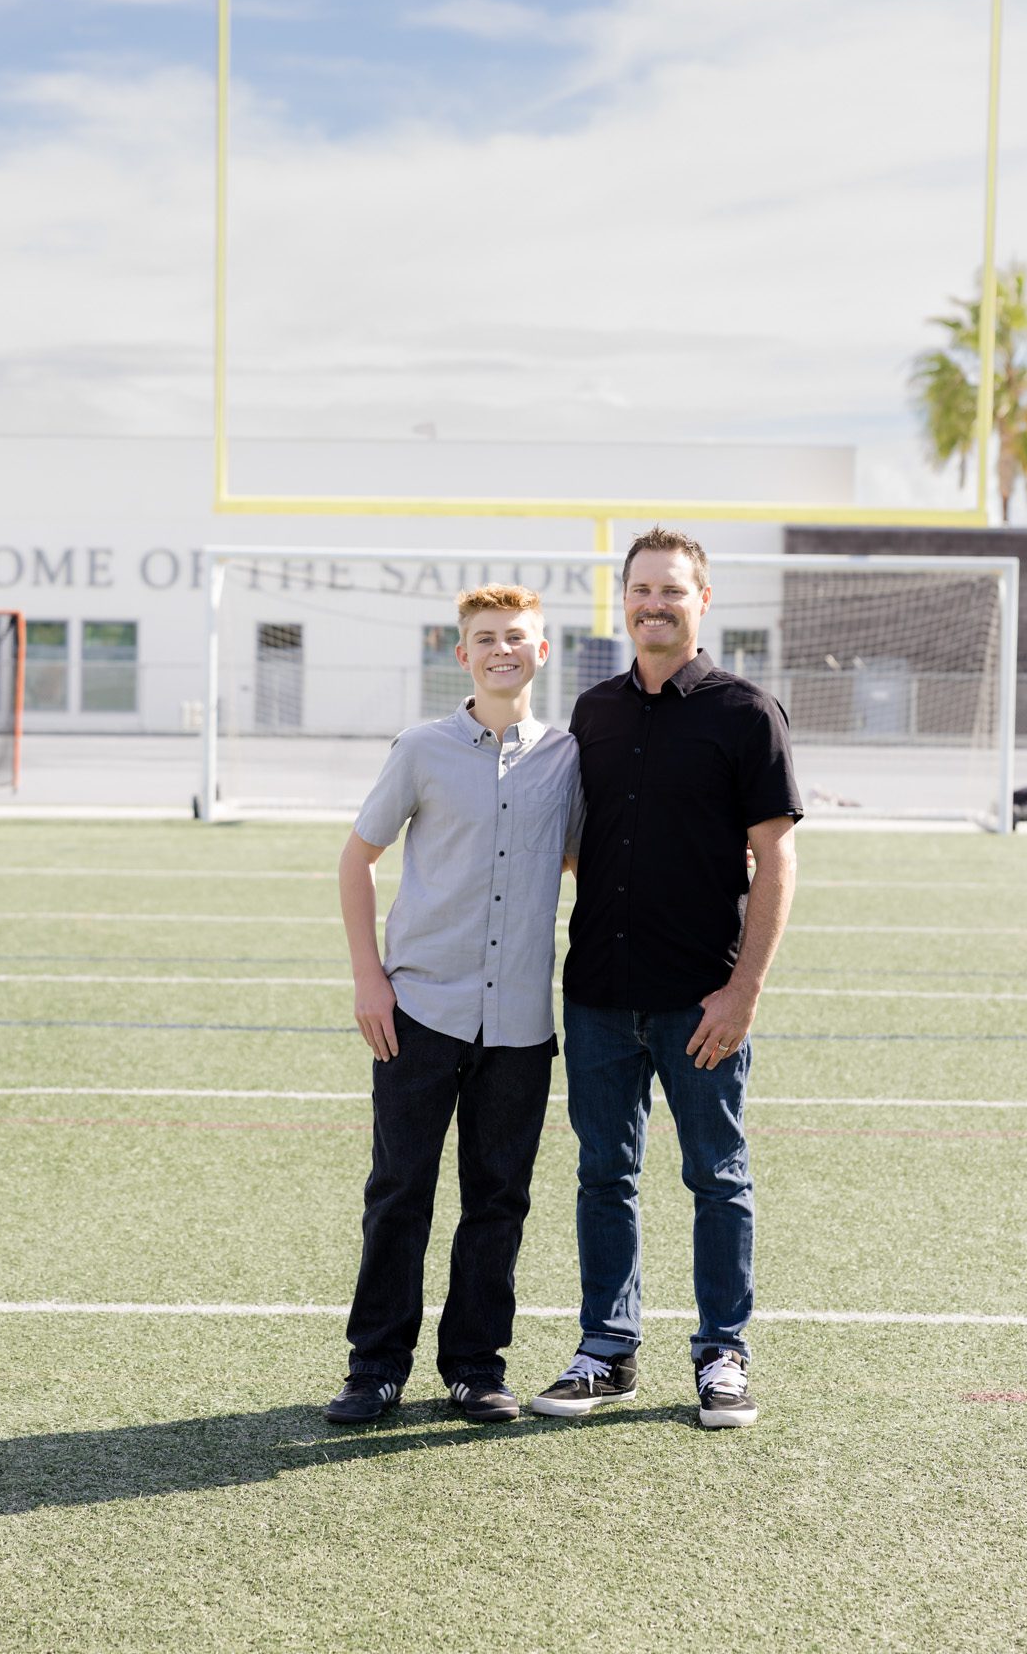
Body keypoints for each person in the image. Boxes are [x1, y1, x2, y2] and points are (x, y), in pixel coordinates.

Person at [531, 526, 801, 1430]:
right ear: (624, 600)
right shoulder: (592, 710)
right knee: (603, 1176)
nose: (654, 604)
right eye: (641, 590)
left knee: (716, 1177)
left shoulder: (745, 712)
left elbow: (778, 861)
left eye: (672, 591)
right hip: (600, 993)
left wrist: (743, 991)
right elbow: (573, 839)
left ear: (702, 601)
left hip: (702, 1000)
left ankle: (722, 1352)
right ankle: (606, 1351)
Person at [326, 583, 583, 1427]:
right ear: (461, 653)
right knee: (399, 1190)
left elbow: (591, 863)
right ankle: (375, 1368)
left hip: (519, 1025)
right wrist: (371, 981)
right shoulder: (422, 748)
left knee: (498, 1197)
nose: (502, 648)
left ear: (541, 652)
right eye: (485, 637)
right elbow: (357, 859)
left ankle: (475, 1366)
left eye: (517, 636)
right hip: (420, 1011)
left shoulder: (569, 758)